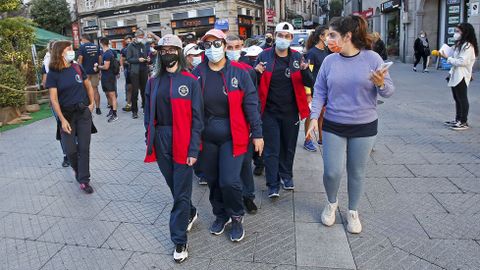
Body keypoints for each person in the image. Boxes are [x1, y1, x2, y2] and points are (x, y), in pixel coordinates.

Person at [307, 15, 395, 234]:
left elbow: (389, 91)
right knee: (332, 172)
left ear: (347, 36)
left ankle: (353, 211)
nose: (328, 39)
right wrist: (313, 119)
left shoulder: (372, 58)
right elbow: (319, 92)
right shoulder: (329, 61)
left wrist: (380, 83)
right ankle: (331, 203)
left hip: (364, 126)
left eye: (332, 35)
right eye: (327, 35)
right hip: (334, 124)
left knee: (356, 172)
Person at [192, 29, 264, 242]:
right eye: (208, 45)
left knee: (229, 181)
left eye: (216, 44)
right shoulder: (197, 73)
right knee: (213, 179)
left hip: (234, 136)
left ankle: (236, 216)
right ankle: (220, 214)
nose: (212, 49)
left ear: (224, 45)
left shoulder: (240, 73)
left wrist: (258, 134)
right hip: (207, 137)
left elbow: (251, 104)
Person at [144, 34, 203, 263]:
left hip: (183, 139)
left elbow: (198, 119)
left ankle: (179, 240)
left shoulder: (190, 81)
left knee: (179, 192)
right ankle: (190, 211)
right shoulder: (153, 81)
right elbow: (149, 114)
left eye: (171, 49)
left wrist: (193, 149)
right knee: (175, 187)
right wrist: (150, 137)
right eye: (162, 49)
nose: (166, 52)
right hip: (161, 140)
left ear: (178, 52)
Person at [255, 22, 313, 198]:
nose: (283, 39)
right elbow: (252, 82)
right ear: (275, 36)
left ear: (291, 39)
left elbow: (310, 83)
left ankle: (286, 176)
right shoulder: (263, 56)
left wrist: (304, 71)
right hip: (269, 112)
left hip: (291, 112)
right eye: (281, 35)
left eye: (287, 36)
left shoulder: (298, 58)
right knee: (272, 149)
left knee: (288, 147)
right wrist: (255, 72)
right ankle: (272, 184)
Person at [46, 40, 96, 194]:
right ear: (60, 52)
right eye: (68, 49)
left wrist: (92, 104)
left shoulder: (77, 67)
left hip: (83, 113)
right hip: (66, 115)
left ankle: (84, 180)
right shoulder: (53, 73)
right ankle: (77, 170)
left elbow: (88, 85)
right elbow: (54, 99)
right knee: (70, 150)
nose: (71, 51)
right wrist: (62, 119)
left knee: (84, 148)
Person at [226, 33, 259, 214]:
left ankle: (249, 196)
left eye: (236, 47)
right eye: (229, 48)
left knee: (246, 163)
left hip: (243, 127)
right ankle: (234, 197)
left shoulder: (248, 70)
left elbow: (253, 101)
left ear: (242, 48)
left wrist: (256, 130)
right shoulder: (218, 69)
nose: (233, 51)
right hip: (224, 127)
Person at [440, 23, 478, 131]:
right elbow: (452, 53)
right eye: (455, 31)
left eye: (458, 31)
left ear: (465, 32)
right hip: (455, 74)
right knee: (456, 98)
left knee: (462, 98)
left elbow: (462, 61)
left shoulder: (468, 46)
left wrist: (448, 58)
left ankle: (463, 121)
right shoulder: (460, 44)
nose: (455, 33)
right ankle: (458, 119)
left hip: (462, 75)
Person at [42, 41, 70, 168]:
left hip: (70, 101)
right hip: (60, 102)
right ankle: (67, 155)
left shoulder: (70, 64)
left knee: (68, 127)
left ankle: (70, 155)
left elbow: (44, 83)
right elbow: (44, 82)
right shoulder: (49, 66)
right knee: (63, 127)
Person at [304, 26, 330, 151]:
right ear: (321, 36)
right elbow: (308, 73)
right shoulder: (312, 53)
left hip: (325, 89)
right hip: (313, 89)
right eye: (327, 35)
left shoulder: (326, 51)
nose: (329, 38)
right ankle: (307, 140)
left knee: (322, 115)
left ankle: (321, 138)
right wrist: (308, 93)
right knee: (311, 115)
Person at [95, 37, 118, 123]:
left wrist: (98, 67)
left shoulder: (108, 53)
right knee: (108, 94)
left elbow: (106, 66)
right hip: (106, 76)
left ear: (101, 43)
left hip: (109, 77)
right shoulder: (106, 52)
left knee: (112, 95)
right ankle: (112, 110)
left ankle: (115, 114)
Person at [127, 29, 149, 119]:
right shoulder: (130, 46)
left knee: (144, 91)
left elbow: (144, 56)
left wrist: (147, 59)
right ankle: (134, 111)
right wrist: (137, 60)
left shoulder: (143, 45)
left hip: (144, 69)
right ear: (136, 36)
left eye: (142, 37)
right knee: (135, 91)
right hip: (135, 71)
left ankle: (145, 108)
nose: (141, 38)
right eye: (140, 37)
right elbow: (129, 59)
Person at [78, 35, 102, 115]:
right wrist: (98, 68)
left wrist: (79, 71)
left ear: (84, 39)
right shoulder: (96, 46)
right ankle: (98, 108)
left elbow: (80, 60)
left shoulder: (82, 47)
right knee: (95, 90)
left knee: (86, 90)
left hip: (85, 73)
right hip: (95, 71)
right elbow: (100, 58)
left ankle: (88, 108)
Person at [121, 35, 133, 112]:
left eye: (129, 40)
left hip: (136, 70)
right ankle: (129, 103)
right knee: (128, 87)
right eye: (126, 40)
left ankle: (144, 104)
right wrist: (121, 66)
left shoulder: (135, 48)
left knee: (139, 87)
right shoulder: (124, 49)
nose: (128, 41)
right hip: (127, 70)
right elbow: (122, 58)